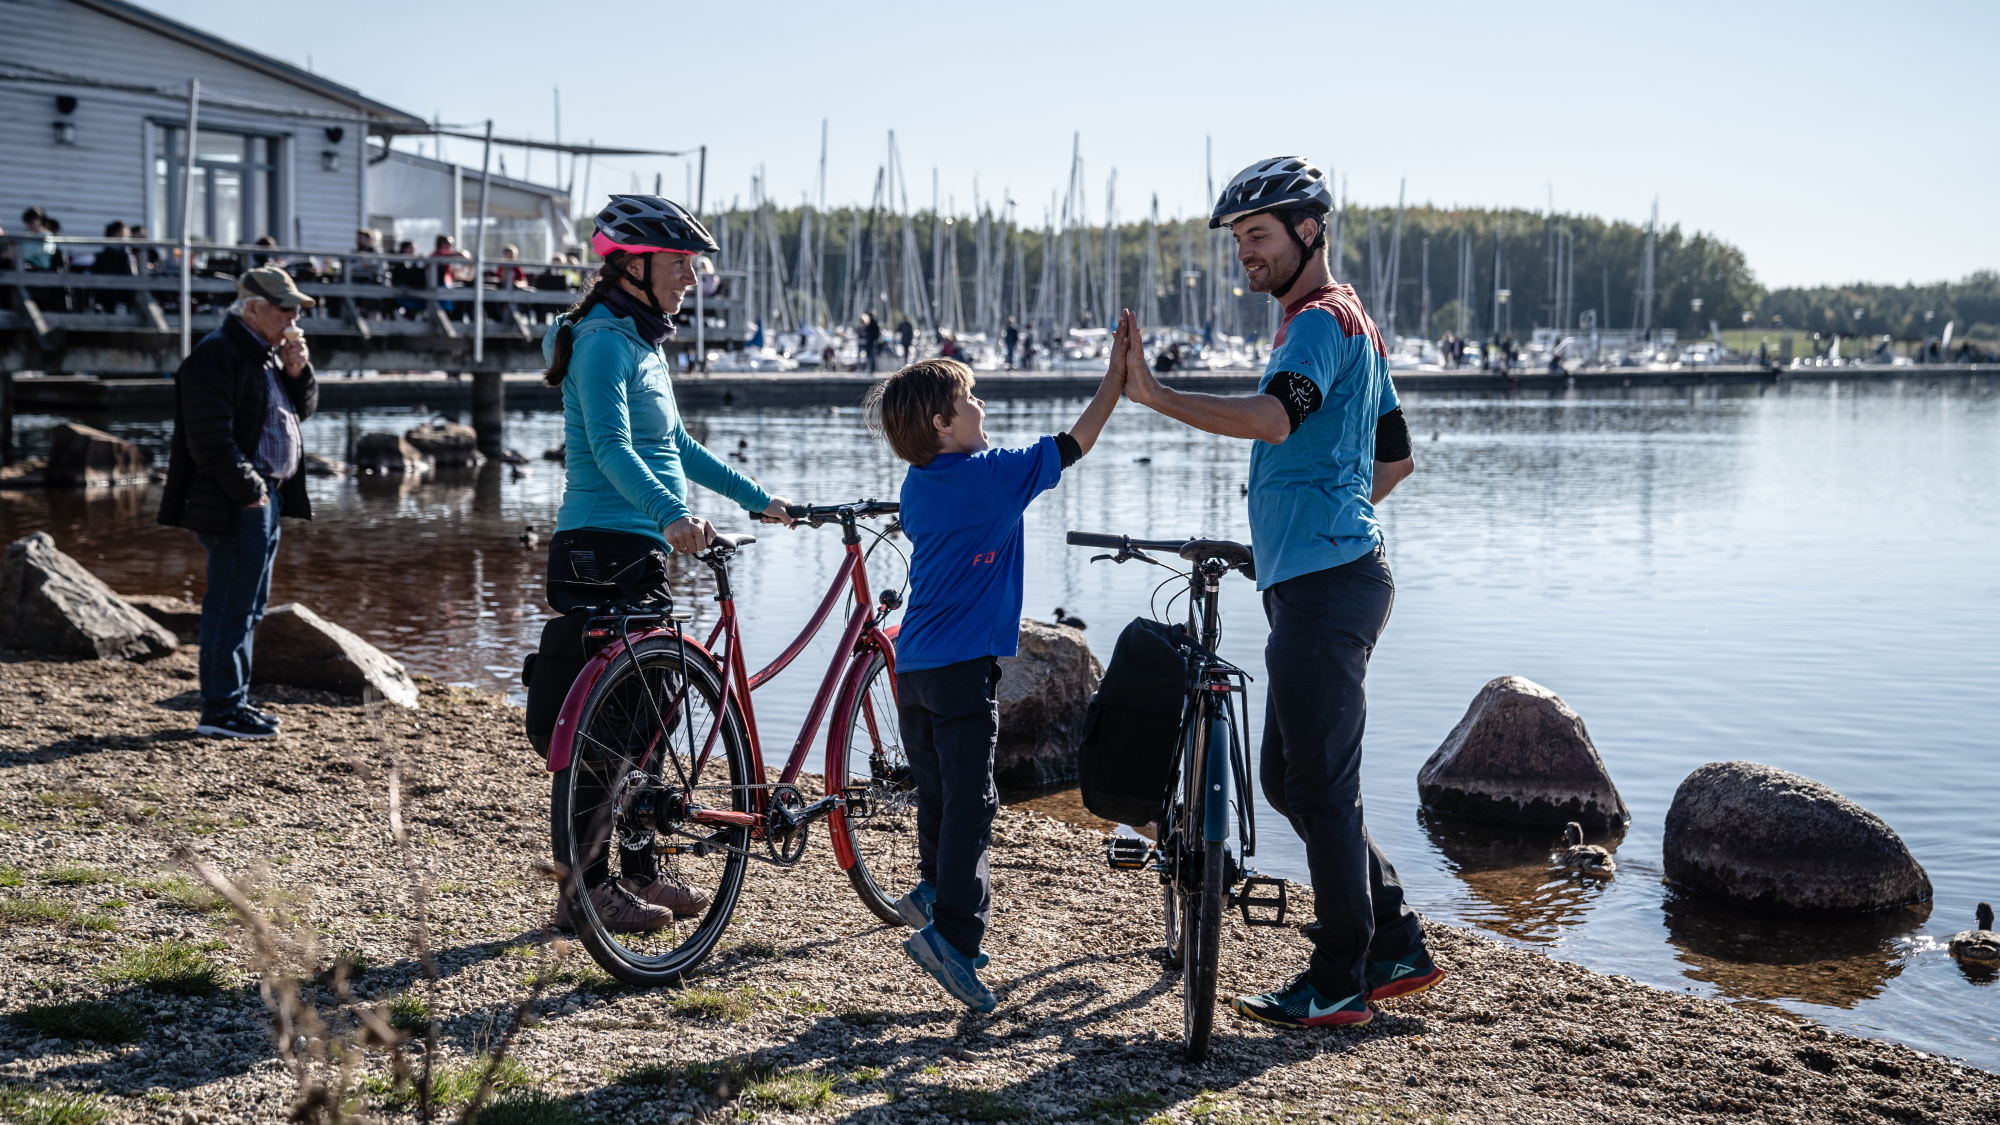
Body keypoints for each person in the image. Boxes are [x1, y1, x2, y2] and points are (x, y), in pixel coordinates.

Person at [1113, 156, 1438, 1030]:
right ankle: (1394, 936)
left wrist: (1153, 393)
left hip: (1330, 588)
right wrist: (1318, 528)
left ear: (1309, 231)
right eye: (1239, 241)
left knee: (1319, 786)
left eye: (1257, 237)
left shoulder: (1318, 326)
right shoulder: (1352, 324)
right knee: (1290, 780)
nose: (1244, 255)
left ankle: (1339, 978)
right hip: (1326, 579)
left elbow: (1275, 418)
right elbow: (1395, 458)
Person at [534, 194, 796, 933]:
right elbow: (613, 449)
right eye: (682, 262)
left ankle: (639, 868)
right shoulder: (601, 343)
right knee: (613, 726)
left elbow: (676, 447)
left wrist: (757, 497)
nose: (693, 277)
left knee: (655, 712)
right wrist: (671, 516)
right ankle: (583, 892)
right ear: (636, 265)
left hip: (638, 550)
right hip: (599, 548)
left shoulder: (643, 344)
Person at [869, 342, 1125, 1013]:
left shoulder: (918, 484)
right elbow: (1076, 442)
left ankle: (933, 890)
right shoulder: (991, 475)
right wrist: (1114, 379)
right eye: (970, 398)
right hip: (959, 672)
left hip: (915, 667)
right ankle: (952, 934)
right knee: (974, 802)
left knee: (940, 792)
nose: (982, 405)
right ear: (941, 424)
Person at [157, 268, 319, 739]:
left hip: (263, 498)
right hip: (238, 502)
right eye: (285, 308)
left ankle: (235, 701)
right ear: (252, 308)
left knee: (249, 604)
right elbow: (209, 441)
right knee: (230, 605)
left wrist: (298, 370)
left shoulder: (265, 355)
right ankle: (220, 709)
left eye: (296, 309)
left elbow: (301, 410)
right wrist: (252, 493)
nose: (294, 317)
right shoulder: (218, 355)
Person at [89, 220, 137, 312]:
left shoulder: (103, 255)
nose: (129, 234)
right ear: (119, 232)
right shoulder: (125, 254)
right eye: (126, 231)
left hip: (104, 296)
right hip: (122, 294)